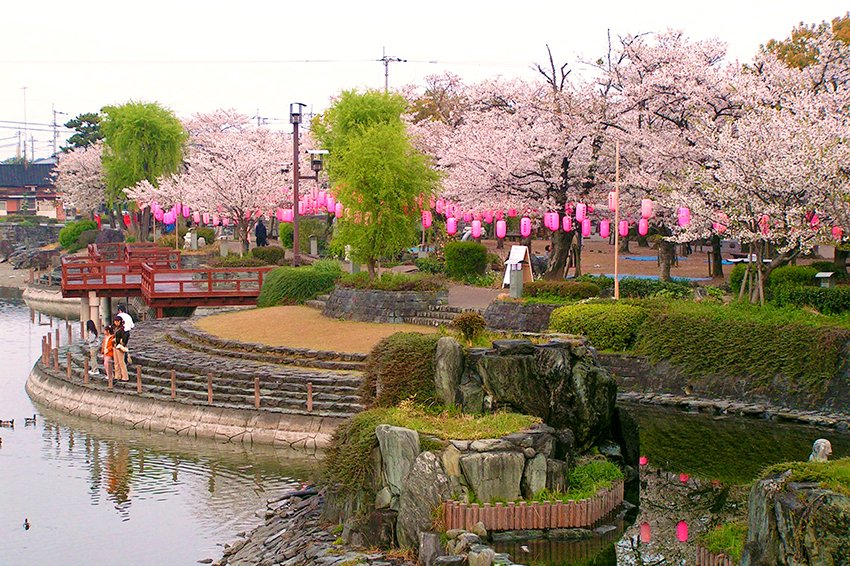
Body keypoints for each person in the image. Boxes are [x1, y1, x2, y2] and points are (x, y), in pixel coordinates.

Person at [112, 317, 129, 382]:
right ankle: (117, 376)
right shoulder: (115, 328)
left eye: (117, 321)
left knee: (121, 362)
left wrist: (119, 341)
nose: (116, 322)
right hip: (115, 346)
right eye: (115, 321)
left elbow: (124, 339)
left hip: (119, 346)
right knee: (116, 362)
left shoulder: (122, 329)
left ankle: (125, 377)